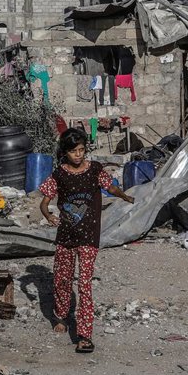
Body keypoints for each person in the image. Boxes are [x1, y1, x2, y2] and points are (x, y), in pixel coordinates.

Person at [38, 128, 135, 353]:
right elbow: (44, 202)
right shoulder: (58, 175)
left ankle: (84, 335)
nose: (78, 155)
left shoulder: (95, 170)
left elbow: (110, 187)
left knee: (84, 284)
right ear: (65, 152)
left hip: (89, 236)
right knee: (62, 280)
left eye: (81, 150)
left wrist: (124, 196)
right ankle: (61, 316)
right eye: (74, 151)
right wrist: (48, 215)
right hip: (66, 236)